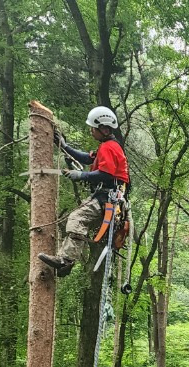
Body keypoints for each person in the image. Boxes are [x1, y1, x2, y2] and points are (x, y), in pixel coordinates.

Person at [39, 105, 129, 278]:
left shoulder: (110, 147)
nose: (91, 131)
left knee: (77, 218)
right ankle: (65, 261)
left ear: (104, 129)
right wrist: (65, 147)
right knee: (79, 222)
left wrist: (81, 175)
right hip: (107, 198)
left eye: (93, 128)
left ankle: (66, 260)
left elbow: (106, 173)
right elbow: (88, 158)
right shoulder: (107, 146)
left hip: (107, 198)